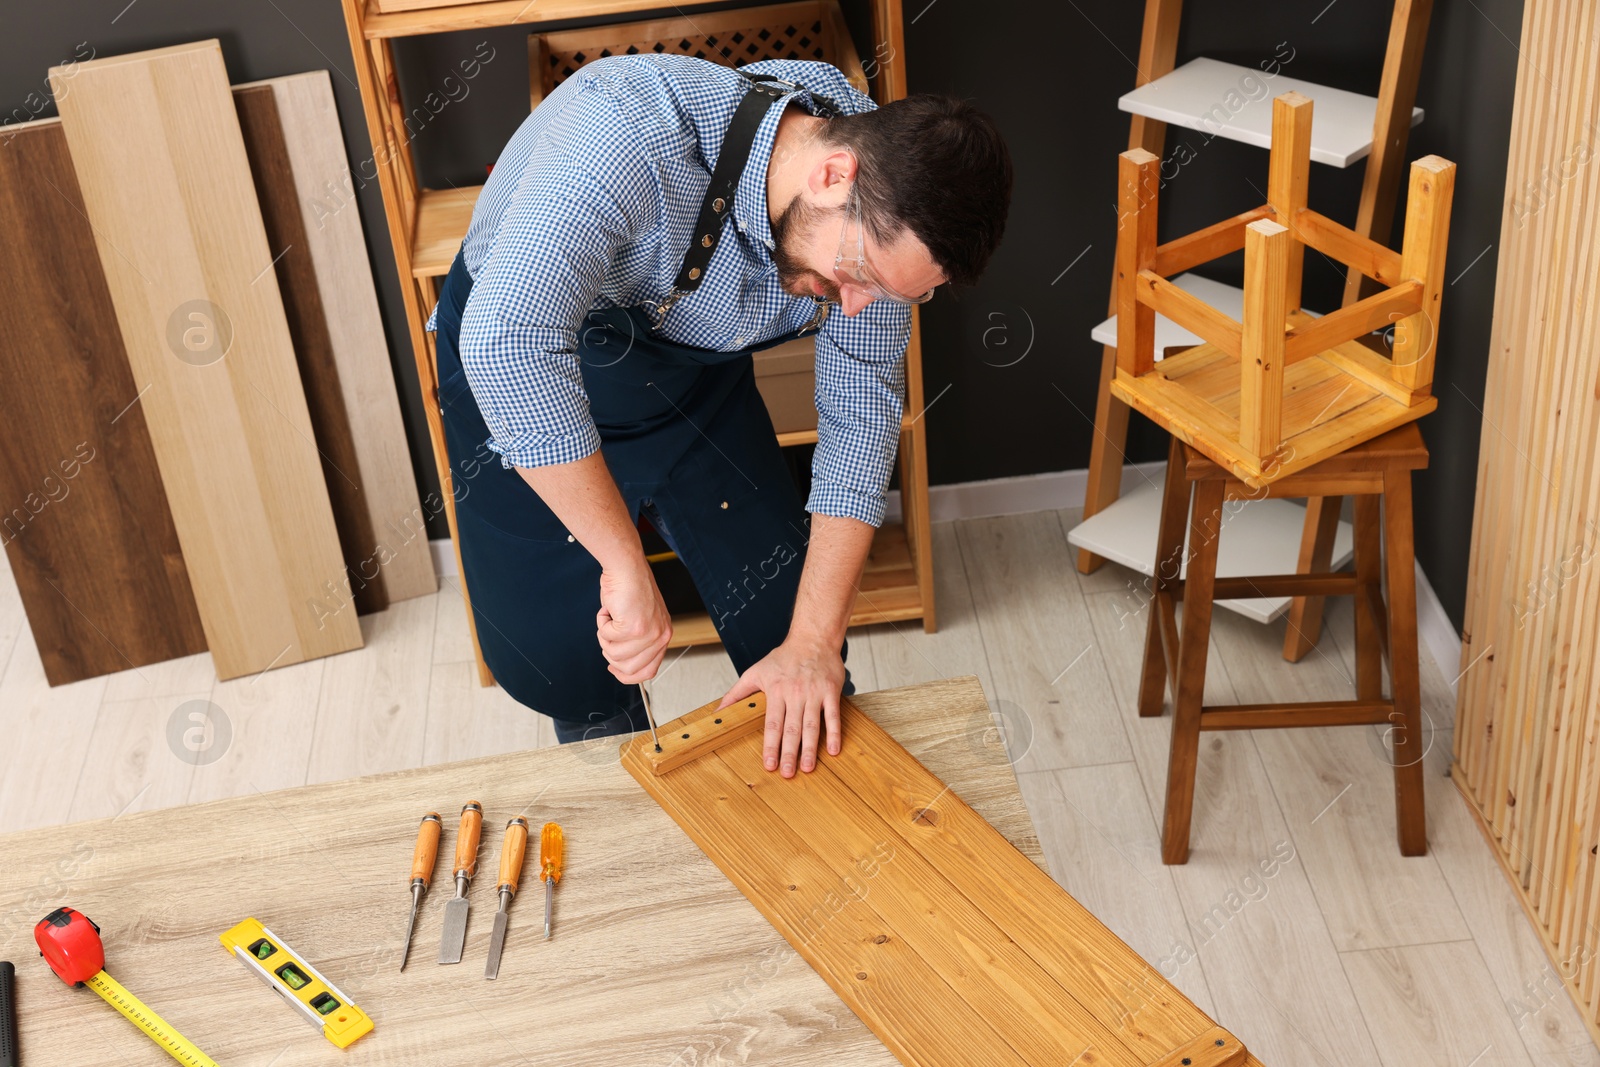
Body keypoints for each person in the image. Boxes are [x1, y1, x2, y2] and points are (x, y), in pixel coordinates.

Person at [429, 53, 1011, 777]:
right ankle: (626, 816)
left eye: (896, 296)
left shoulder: (877, 196)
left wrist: (813, 645)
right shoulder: (623, 133)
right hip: (518, 368)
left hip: (684, 384)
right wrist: (623, 560)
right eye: (857, 276)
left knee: (788, 617)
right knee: (568, 657)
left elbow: (861, 423)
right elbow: (508, 341)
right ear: (832, 176)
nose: (857, 307)